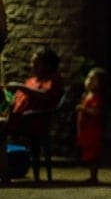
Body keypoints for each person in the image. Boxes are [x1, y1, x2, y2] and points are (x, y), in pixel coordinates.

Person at [0, 45, 65, 182]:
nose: (32, 65)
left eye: (36, 62)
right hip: (16, 117)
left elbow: (46, 96)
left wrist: (20, 87)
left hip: (32, 120)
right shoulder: (32, 80)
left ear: (47, 65)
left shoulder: (53, 79)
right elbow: (16, 100)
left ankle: (5, 174)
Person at [76, 67, 110, 185]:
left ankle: (93, 177)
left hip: (93, 130)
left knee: (93, 155)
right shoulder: (87, 95)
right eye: (88, 78)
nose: (89, 81)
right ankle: (91, 176)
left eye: (93, 79)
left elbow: (96, 112)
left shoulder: (97, 97)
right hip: (86, 129)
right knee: (88, 153)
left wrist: (83, 109)